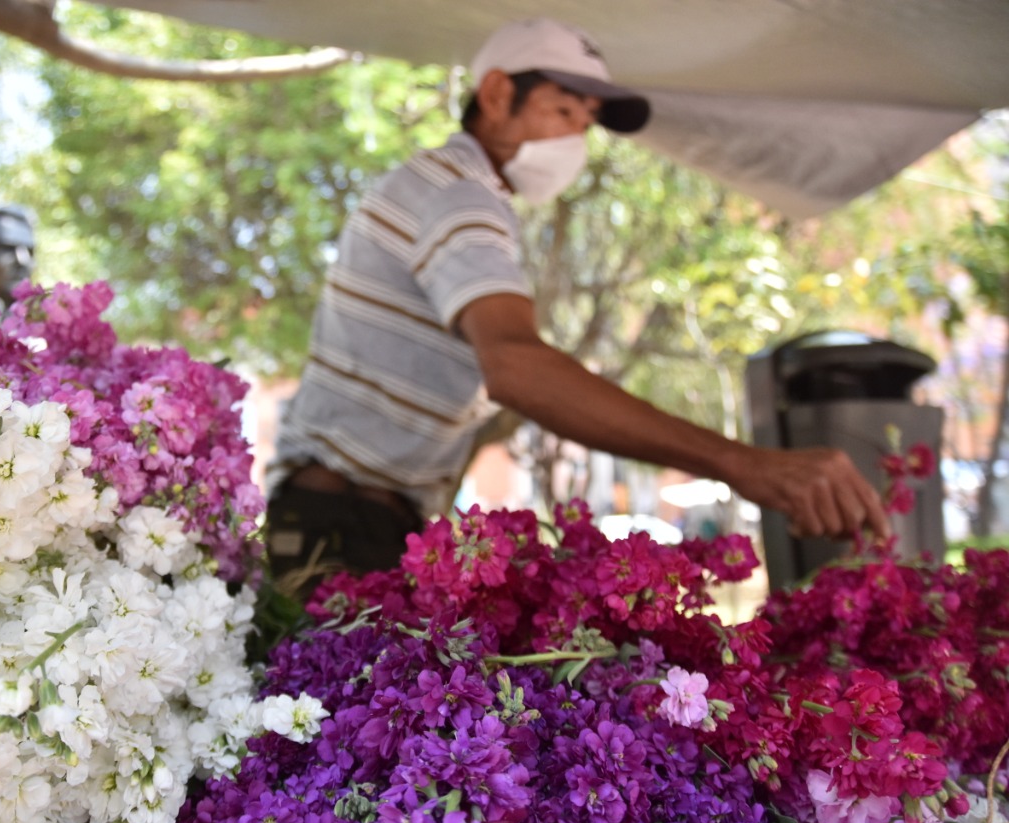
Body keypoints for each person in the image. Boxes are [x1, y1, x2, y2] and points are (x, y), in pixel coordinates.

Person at [264, 17, 890, 593]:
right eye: (564, 110)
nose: (576, 138)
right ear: (496, 94)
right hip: (340, 520)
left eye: (586, 123)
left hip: (354, 514)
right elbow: (516, 366)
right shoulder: (460, 196)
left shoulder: (448, 187)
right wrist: (741, 463)